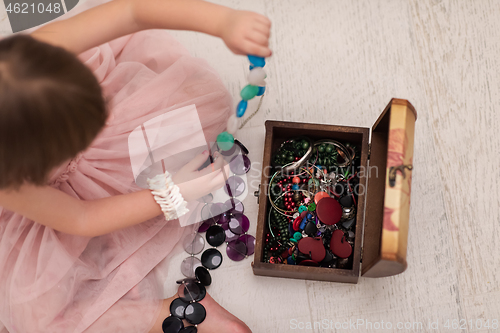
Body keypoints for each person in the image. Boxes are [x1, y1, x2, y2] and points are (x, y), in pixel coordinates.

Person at [0, 0, 271, 332]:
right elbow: (82, 218)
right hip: (57, 207)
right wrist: (170, 195)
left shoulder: (32, 59)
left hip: (96, 129)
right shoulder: (9, 181)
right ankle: (169, 313)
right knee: (36, 318)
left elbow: (131, 11)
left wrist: (224, 21)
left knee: (202, 107)